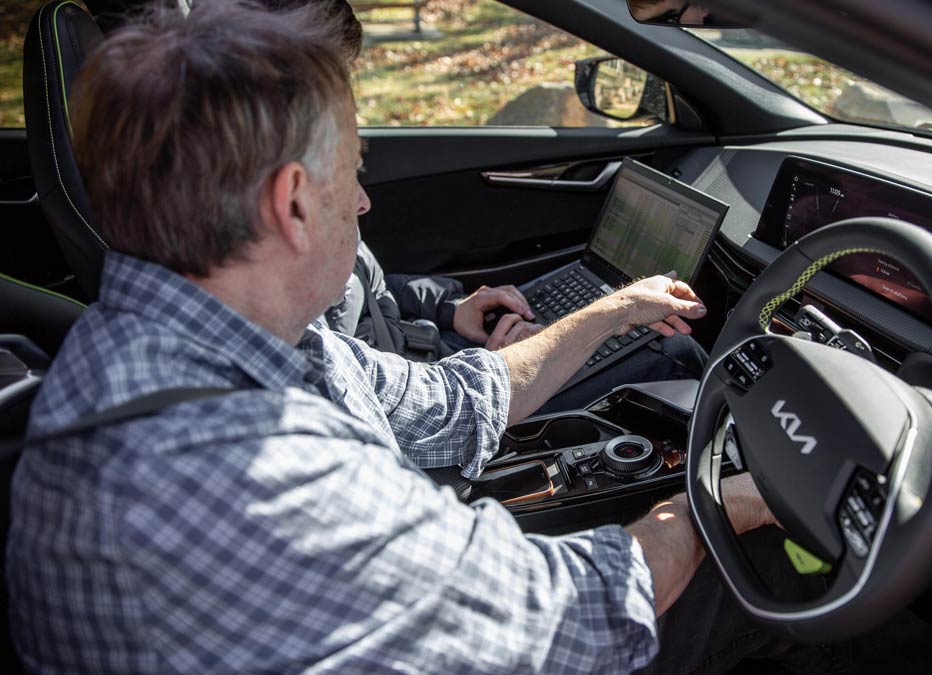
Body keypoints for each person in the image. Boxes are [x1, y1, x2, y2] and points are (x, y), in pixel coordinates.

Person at [7, 3, 810, 672]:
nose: (361, 204)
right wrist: (715, 500)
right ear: (291, 204)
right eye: (352, 172)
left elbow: (461, 397)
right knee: (764, 587)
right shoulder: (256, 466)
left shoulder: (215, 342)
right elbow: (572, 618)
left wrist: (611, 311)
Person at [246, 0, 706, 413]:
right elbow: (418, 414)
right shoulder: (283, 305)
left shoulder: (304, 195)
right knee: (675, 355)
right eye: (330, 80)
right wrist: (603, 317)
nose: (364, 202)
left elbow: (368, 293)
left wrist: (450, 308)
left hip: (421, 359)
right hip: (432, 392)